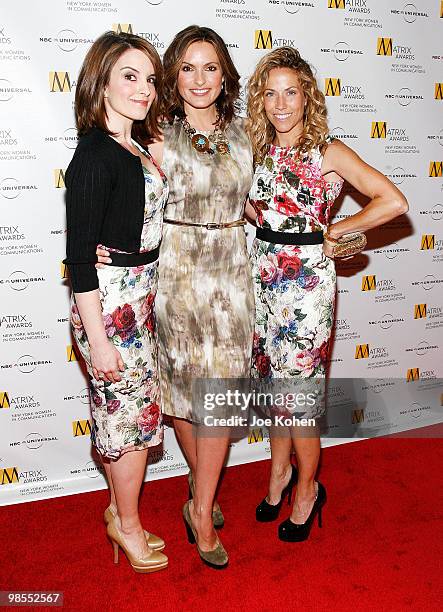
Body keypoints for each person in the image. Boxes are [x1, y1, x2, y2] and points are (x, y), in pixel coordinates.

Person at [97, 26, 254, 568]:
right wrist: (103, 247)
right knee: (186, 394)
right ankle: (201, 488)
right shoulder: (156, 131)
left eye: (210, 67)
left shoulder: (244, 131)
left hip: (232, 272)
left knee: (220, 399)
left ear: (224, 73)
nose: (199, 79)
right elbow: (126, 187)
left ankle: (202, 505)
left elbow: (248, 193)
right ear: (173, 74)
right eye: (187, 67)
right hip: (177, 272)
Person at [246, 47, 408, 542]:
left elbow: (393, 201)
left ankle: (308, 489)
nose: (280, 104)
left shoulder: (327, 152)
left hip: (306, 290)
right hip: (262, 280)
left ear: (307, 96)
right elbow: (259, 211)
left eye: (290, 92)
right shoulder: (259, 148)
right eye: (270, 93)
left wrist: (335, 229)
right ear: (260, 100)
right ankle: (278, 476)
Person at [64, 31, 169, 572]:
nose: (144, 88)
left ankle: (122, 514)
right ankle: (125, 525)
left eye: (149, 79)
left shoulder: (136, 147)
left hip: (139, 301)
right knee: (127, 428)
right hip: (109, 310)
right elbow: (79, 260)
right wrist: (100, 342)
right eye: (129, 76)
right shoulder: (93, 155)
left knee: (134, 421)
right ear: (100, 83)